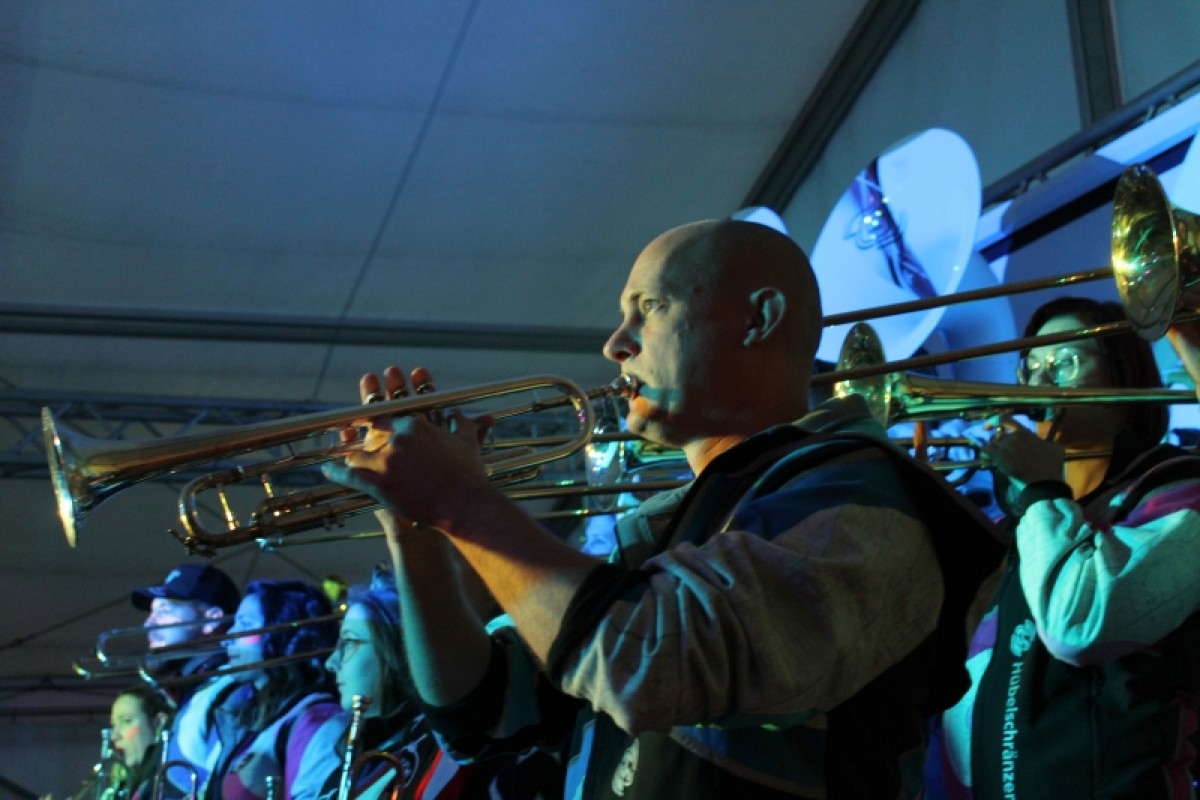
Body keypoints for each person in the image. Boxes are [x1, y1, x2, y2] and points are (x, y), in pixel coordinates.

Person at [323, 218, 1004, 798]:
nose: (614, 344)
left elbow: (652, 665)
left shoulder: (863, 496)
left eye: (648, 307)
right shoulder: (667, 531)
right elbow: (481, 712)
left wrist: (459, 499)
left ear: (759, 318)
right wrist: (416, 534)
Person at [932, 296, 1200, 798]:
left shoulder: (1177, 487)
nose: (1040, 380)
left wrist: (1041, 490)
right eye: (1031, 366)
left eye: (1065, 361)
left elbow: (1078, 625)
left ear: (1122, 376)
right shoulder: (1020, 525)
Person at [320, 567, 562, 798]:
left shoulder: (476, 737)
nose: (331, 662)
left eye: (349, 642)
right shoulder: (355, 760)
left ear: (398, 650)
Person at [172, 579, 346, 799]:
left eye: (245, 625)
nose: (228, 638)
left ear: (283, 633)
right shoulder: (243, 715)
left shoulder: (316, 720)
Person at [132, 563, 241, 692]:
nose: (148, 624)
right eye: (152, 612)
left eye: (163, 611)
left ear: (212, 620)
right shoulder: (197, 688)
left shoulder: (233, 689)